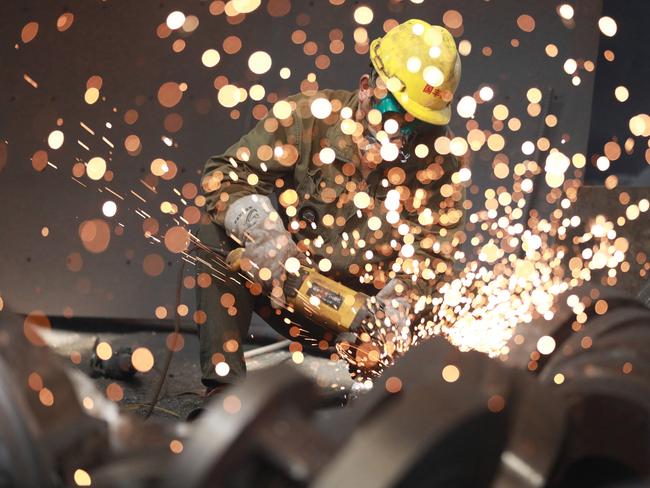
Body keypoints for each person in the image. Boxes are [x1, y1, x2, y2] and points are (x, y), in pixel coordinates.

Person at [196, 19, 464, 394]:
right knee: (211, 238)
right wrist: (264, 234)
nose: (398, 134)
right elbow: (223, 175)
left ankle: (389, 405)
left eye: (414, 125)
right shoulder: (309, 118)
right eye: (391, 113)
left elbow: (434, 256)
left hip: (366, 320)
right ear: (368, 87)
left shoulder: (438, 159)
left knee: (449, 313)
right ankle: (222, 392)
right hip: (288, 289)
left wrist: (394, 313)